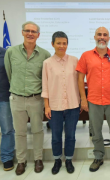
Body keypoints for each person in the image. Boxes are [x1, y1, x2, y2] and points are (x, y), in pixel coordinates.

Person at [4, 21, 51, 175]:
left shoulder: (45, 55)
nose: (30, 33)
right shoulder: (11, 52)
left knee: (38, 130)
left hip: (36, 99)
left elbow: (45, 79)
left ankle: (38, 159)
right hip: (17, 99)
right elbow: (9, 74)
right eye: (27, 31)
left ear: (38, 35)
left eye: (34, 31)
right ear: (22, 32)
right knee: (20, 132)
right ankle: (21, 161)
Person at [76, 27, 110, 172]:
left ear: (109, 38)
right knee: (96, 132)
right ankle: (98, 156)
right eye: (99, 34)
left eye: (105, 35)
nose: (102, 37)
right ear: (94, 36)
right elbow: (80, 79)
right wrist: (83, 99)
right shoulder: (86, 56)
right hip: (94, 100)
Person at [41, 31, 80, 174]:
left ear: (67, 44)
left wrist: (80, 101)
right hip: (55, 106)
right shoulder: (47, 63)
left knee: (71, 135)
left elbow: (79, 82)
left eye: (64, 43)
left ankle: (68, 160)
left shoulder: (75, 60)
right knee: (56, 136)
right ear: (52, 44)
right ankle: (57, 160)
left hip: (72, 106)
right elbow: (45, 85)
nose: (61, 46)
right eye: (58, 43)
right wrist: (46, 105)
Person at [0, 46, 15, 171]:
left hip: (3, 98)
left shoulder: (6, 54)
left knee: (7, 130)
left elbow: (11, 74)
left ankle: (7, 158)